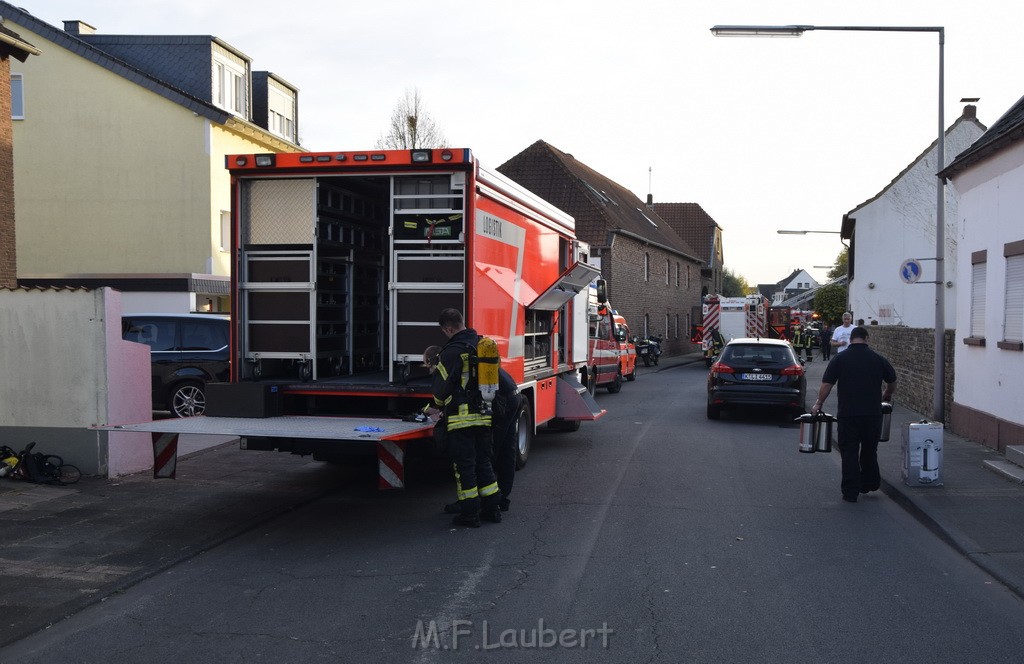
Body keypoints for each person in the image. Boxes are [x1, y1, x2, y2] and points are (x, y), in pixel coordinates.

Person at [429, 308, 502, 527]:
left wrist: (435, 408)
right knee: (484, 463)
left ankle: (470, 514)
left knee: (465, 468)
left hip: (461, 421)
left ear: (449, 328)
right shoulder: (482, 345)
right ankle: (493, 509)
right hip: (485, 416)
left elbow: (441, 390)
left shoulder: (450, 352)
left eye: (445, 331)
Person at [812, 326, 897, 503]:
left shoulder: (840, 359)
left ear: (851, 339)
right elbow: (892, 380)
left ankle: (850, 492)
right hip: (872, 414)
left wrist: (819, 404)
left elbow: (827, 384)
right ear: (866, 338)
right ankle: (869, 483)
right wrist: (887, 394)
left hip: (848, 414)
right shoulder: (877, 359)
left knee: (849, 452)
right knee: (869, 450)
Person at [436, 355, 520, 514]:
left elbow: (444, 395)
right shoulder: (471, 358)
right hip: (512, 393)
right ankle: (501, 499)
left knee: (487, 454)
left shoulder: (454, 365)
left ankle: (486, 501)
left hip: (503, 399)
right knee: (507, 450)